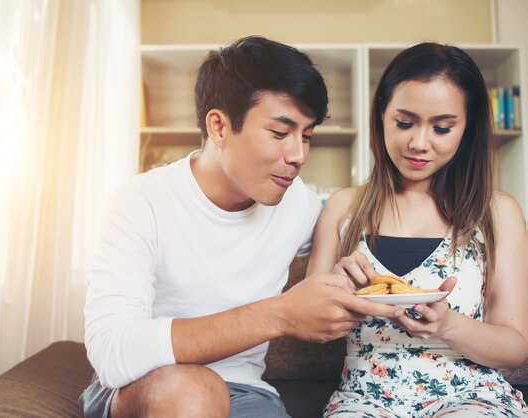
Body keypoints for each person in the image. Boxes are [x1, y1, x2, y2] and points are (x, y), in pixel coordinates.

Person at [79, 36, 402, 418]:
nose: (299, 155)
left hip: (247, 393)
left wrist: (346, 273)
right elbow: (114, 351)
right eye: (280, 133)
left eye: (307, 136)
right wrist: (279, 313)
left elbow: (335, 257)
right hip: (146, 384)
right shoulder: (141, 202)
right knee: (193, 392)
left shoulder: (297, 203)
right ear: (218, 127)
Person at [307, 42, 528, 417]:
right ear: (381, 115)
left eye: (442, 128)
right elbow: (308, 327)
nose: (419, 143)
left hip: (471, 396)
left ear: (467, 128)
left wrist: (449, 325)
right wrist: (335, 289)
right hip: (365, 398)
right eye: (404, 123)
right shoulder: (344, 208)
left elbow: (515, 345)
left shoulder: (496, 212)